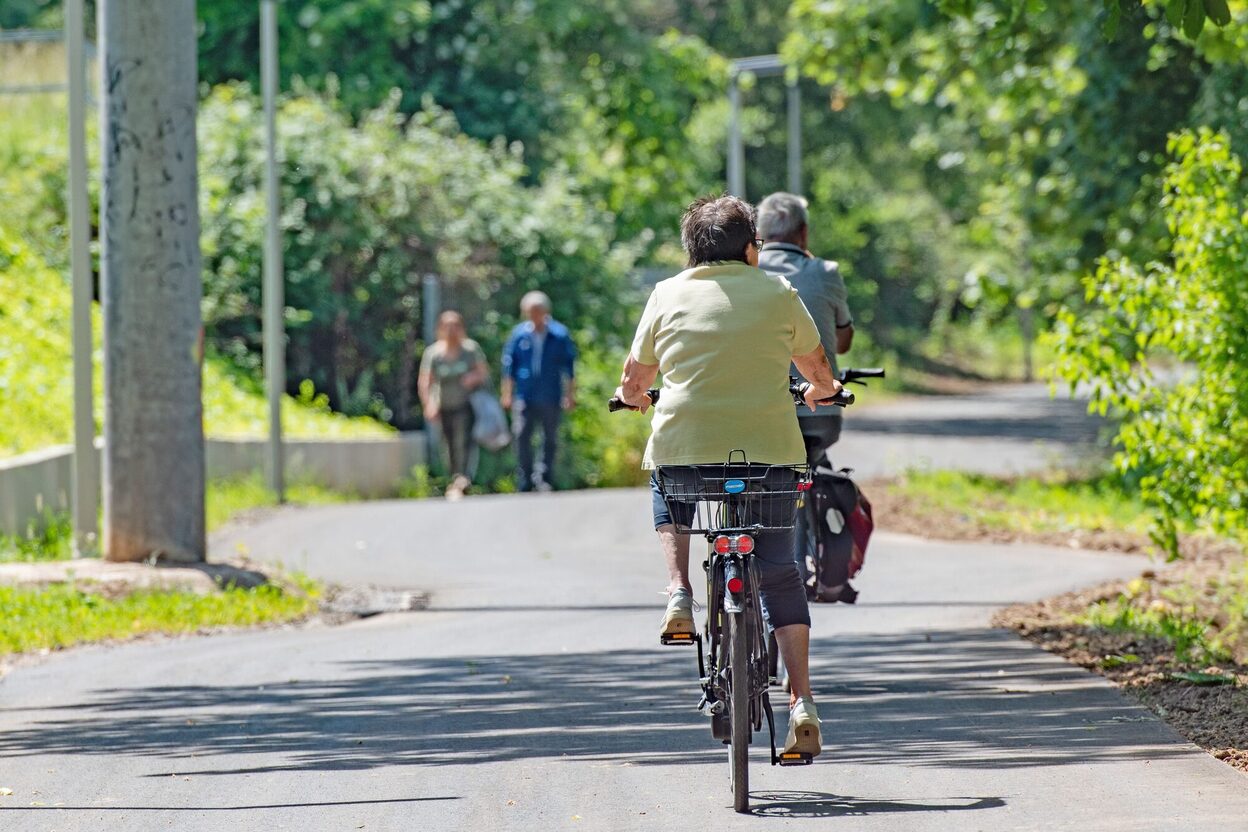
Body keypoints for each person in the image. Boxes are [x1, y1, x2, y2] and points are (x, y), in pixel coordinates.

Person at [613, 194, 843, 759]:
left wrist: (631, 397)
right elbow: (818, 369)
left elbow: (635, 377)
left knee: (667, 487)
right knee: (781, 572)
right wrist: (822, 392)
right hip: (768, 454)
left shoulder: (666, 294)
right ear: (750, 249)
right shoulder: (778, 292)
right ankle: (802, 704)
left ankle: (679, 593)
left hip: (687, 448)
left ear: (692, 251)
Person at [757, 192, 854, 468]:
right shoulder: (825, 271)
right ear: (804, 232)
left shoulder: (746, 275)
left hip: (762, 413)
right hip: (821, 413)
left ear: (758, 234)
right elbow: (843, 342)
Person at [500, 291, 577, 492]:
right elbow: (509, 366)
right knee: (521, 433)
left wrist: (569, 394)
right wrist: (507, 393)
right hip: (525, 394)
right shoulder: (518, 335)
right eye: (530, 312)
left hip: (550, 394)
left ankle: (544, 478)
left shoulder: (559, 334)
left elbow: (569, 367)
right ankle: (524, 478)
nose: (534, 316)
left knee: (549, 437)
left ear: (545, 311)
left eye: (537, 311)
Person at [418, 311, 489, 500]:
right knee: (448, 444)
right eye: (447, 326)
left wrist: (472, 378)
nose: (451, 330)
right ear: (440, 329)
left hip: (466, 404)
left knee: (463, 441)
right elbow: (426, 381)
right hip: (444, 404)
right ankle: (455, 477)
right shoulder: (434, 353)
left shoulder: (470, 350)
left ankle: (462, 478)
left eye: (455, 325)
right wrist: (429, 404)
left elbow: (483, 373)